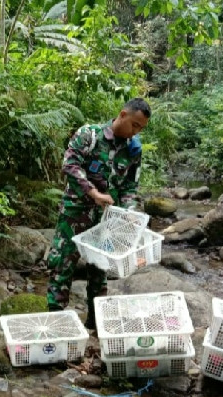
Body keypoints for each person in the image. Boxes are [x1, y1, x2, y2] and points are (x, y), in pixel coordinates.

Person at [46, 98, 151, 329]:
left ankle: (96, 325)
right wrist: (93, 193)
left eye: (141, 128)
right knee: (62, 265)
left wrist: (130, 213)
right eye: (134, 125)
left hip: (106, 220)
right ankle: (56, 323)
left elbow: (129, 187)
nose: (136, 132)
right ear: (122, 115)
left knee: (99, 271)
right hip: (75, 214)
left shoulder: (133, 149)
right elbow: (70, 165)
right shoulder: (90, 135)